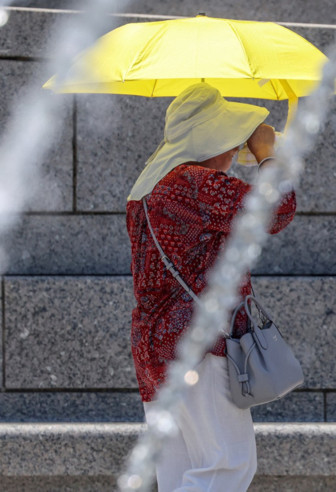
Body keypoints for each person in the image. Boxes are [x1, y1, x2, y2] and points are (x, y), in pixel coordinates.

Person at [125, 83, 296, 491]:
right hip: (199, 342)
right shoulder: (194, 182)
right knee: (227, 465)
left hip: (154, 348)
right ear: (213, 137)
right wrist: (266, 153)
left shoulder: (149, 190)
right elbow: (276, 209)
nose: (234, 150)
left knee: (179, 470)